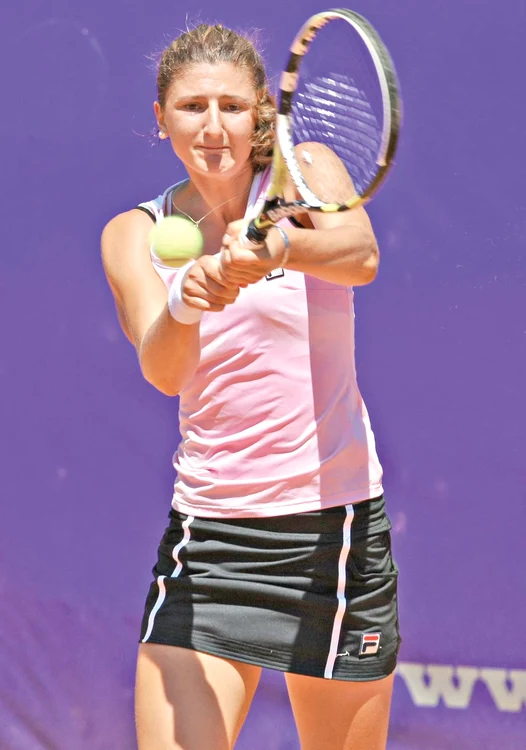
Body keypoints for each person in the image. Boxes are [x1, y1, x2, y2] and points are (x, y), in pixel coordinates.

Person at [101, 23, 400, 750]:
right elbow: (164, 371)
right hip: (209, 539)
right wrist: (187, 301)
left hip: (332, 535)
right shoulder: (132, 235)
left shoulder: (305, 171)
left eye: (231, 107)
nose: (213, 128)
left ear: (261, 108)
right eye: (192, 107)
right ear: (161, 117)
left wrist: (278, 246)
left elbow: (359, 254)